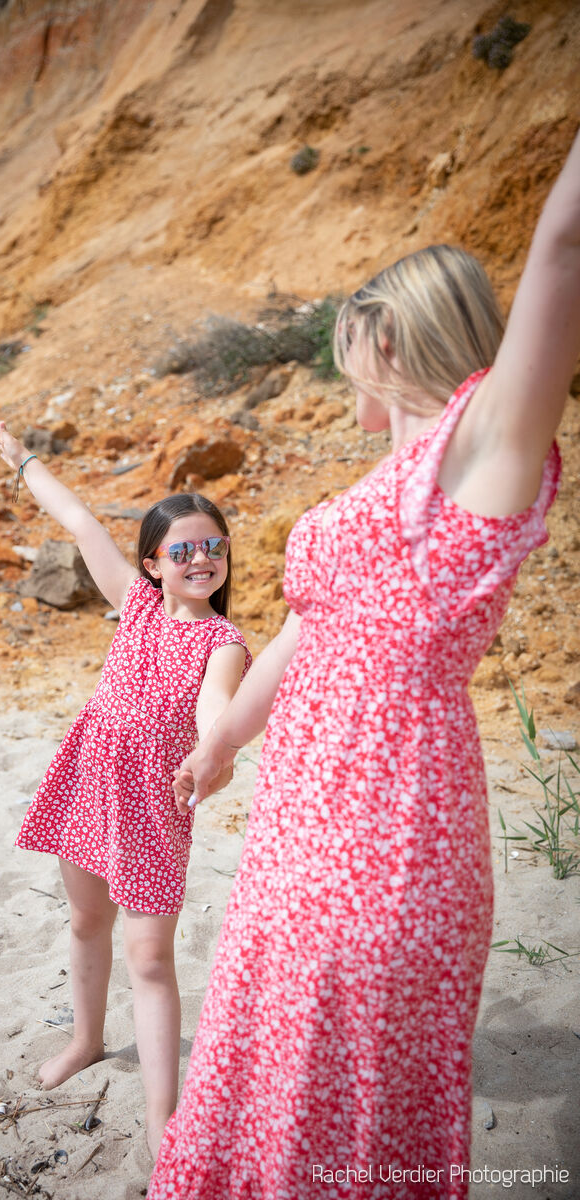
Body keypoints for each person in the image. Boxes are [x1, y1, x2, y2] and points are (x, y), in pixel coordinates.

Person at [148, 128, 580, 1200]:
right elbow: (309, 631)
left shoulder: (481, 447)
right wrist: (221, 737)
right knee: (265, 1061)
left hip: (388, 824)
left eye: (350, 347)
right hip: (299, 823)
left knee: (345, 1092)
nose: (345, 374)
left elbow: (563, 248)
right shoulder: (380, 484)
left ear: (386, 336)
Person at [0, 421, 251, 1158]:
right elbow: (77, 519)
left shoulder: (223, 643)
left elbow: (216, 706)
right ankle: (87, 1040)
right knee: (84, 923)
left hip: (151, 809)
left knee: (152, 960)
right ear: (153, 565)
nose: (201, 559)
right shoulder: (134, 604)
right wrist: (23, 461)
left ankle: (164, 1116)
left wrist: (212, 751)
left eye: (214, 546)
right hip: (88, 785)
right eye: (183, 550)